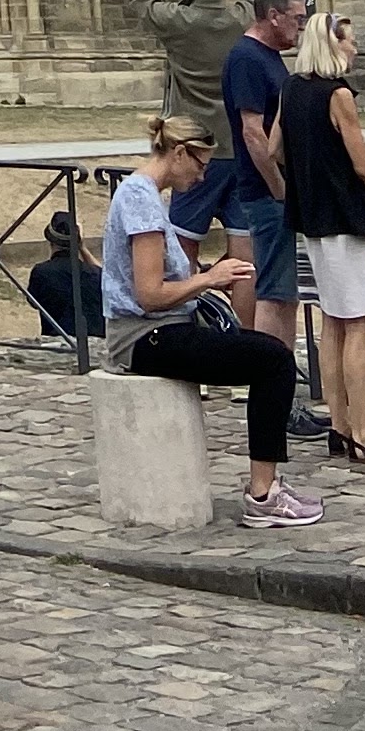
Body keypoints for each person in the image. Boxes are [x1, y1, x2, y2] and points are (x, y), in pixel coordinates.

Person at [100, 114, 318, 525]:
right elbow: (149, 295)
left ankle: (266, 485)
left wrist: (205, 278)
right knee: (273, 360)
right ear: (179, 153)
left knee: (269, 354)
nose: (202, 177)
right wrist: (208, 280)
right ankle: (263, 492)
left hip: (158, 329)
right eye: (200, 165)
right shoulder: (140, 200)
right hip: (144, 336)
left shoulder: (143, 194)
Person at [282, 10, 365, 468]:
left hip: (311, 217)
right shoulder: (338, 95)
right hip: (342, 216)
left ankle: (340, 426)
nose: (354, 48)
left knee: (332, 323)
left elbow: (276, 147)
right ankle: (364, 434)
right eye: (348, 41)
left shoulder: (291, 89)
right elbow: (363, 165)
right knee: (358, 324)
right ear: (331, 45)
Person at [123, 0, 262, 231]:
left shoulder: (176, 21)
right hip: (237, 145)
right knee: (244, 249)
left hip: (193, 148)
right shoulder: (241, 19)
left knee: (184, 244)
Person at [221, 0, 308, 359]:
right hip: (266, 193)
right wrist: (279, 189)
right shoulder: (247, 58)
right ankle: (274, 375)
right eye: (297, 18)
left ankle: (283, 372)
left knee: (285, 292)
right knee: (274, 290)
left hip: (278, 190)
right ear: (273, 15)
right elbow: (253, 133)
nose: (300, 27)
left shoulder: (268, 57)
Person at [25, 209, 104, 343]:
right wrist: (83, 248)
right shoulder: (95, 275)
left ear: (51, 241)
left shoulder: (41, 272)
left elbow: (33, 302)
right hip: (94, 345)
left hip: (57, 344)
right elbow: (104, 275)